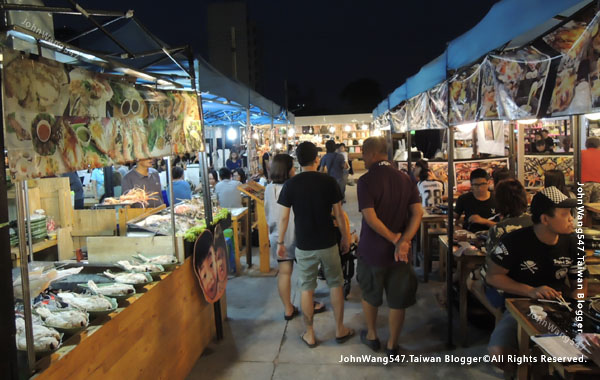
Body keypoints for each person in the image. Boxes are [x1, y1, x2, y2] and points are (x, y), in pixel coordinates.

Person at [486, 187, 587, 377]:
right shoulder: (514, 241)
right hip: (519, 307)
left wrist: (578, 301)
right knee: (499, 354)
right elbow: (493, 277)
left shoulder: (573, 242)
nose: (571, 219)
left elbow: (580, 283)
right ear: (545, 219)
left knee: (579, 357)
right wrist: (530, 290)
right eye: (565, 214)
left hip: (560, 309)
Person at [277, 141, 354, 348]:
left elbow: (283, 218)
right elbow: (338, 213)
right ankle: (339, 329)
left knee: (306, 288)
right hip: (328, 242)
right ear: (316, 158)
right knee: (335, 284)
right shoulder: (328, 182)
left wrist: (280, 241)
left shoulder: (290, 185)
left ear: (297, 161)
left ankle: (309, 334)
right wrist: (345, 237)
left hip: (304, 244)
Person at [356, 137, 423, 356]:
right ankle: (393, 344)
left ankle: (372, 335)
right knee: (398, 300)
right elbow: (417, 213)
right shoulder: (406, 178)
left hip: (372, 250)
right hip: (400, 255)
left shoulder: (366, 181)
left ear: (372, 154)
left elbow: (370, 217)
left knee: (370, 294)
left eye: (363, 155)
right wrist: (404, 241)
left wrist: (395, 239)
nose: (363, 160)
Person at [265, 154, 325, 321]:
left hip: (277, 236)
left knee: (284, 273)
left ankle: (288, 309)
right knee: (306, 273)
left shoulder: (269, 188)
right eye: (292, 167)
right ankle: (309, 303)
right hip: (297, 235)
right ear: (287, 169)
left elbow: (268, 213)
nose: (294, 169)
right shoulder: (293, 186)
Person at [582, 136, 600, 203]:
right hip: (599, 185)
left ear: (586, 145)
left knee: (582, 208)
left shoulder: (580, 153)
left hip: (584, 185)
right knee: (597, 209)